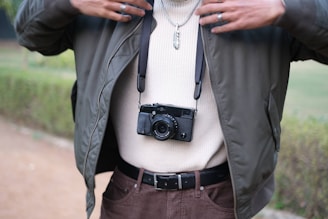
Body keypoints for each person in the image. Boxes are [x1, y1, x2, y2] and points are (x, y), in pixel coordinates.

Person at [14, 0, 328, 218]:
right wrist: (68, 3)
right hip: (127, 197)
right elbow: (28, 31)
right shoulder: (105, 6)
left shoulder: (255, 9)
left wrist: (286, 10)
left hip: (218, 202)